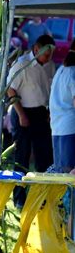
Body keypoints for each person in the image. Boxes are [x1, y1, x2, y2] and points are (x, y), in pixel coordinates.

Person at [7, 34, 55, 208]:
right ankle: (19, 198)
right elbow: (10, 90)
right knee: (22, 157)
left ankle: (44, 196)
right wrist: (21, 114)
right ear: (36, 49)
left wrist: (50, 110)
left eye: (50, 54)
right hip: (23, 112)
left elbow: (50, 89)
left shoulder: (49, 65)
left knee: (45, 157)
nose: (49, 58)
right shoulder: (22, 65)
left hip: (42, 113)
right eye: (46, 54)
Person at [49, 40, 75, 172]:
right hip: (70, 128)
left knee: (61, 174)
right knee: (69, 176)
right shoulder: (73, 72)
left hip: (57, 127)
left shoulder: (61, 70)